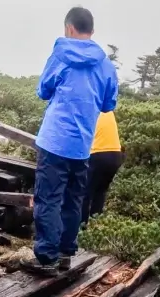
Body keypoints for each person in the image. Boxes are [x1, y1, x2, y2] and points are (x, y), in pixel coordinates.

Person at [22, 6, 118, 276]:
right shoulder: (106, 65)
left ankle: (46, 258)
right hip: (83, 147)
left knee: (48, 199)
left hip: (54, 142)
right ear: (92, 31)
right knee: (73, 201)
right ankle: (65, 254)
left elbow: (43, 91)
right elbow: (108, 104)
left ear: (69, 28)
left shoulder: (59, 56)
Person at [82, 111, 123, 224]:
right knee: (100, 191)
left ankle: (81, 227)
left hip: (98, 154)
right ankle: (96, 224)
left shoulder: (89, 108)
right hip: (116, 154)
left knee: (84, 193)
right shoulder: (107, 109)